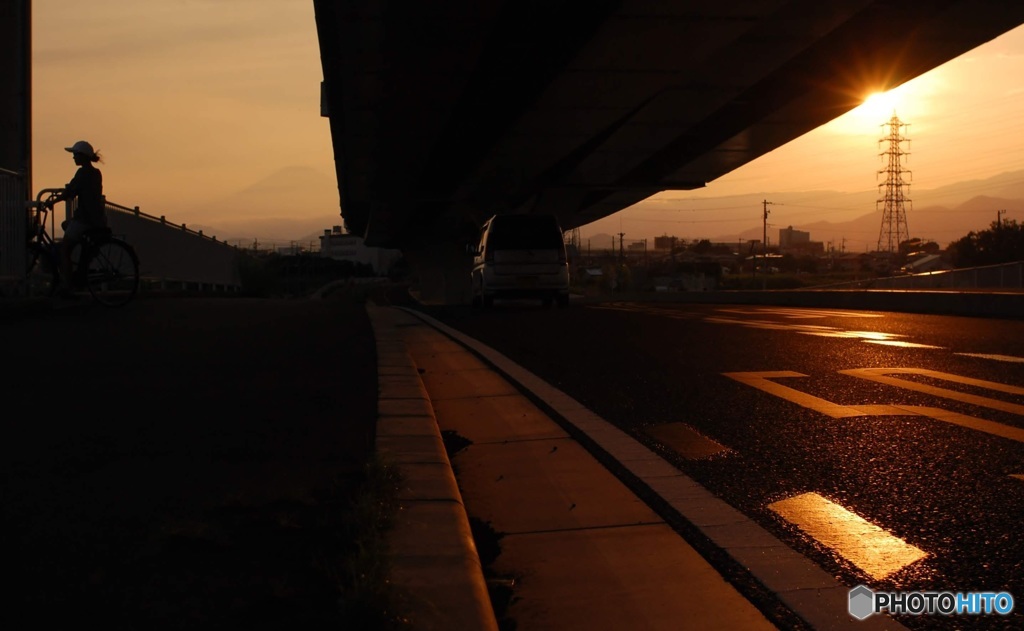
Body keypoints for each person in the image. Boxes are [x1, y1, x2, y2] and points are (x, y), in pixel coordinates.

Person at [49, 140, 107, 292]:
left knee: (64, 250)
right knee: (67, 225)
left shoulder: (83, 173)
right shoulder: (96, 173)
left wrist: (52, 201)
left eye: (75, 154)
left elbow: (70, 192)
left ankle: (68, 286)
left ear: (82, 156)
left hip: (85, 218)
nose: (73, 157)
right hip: (97, 218)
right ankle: (78, 274)